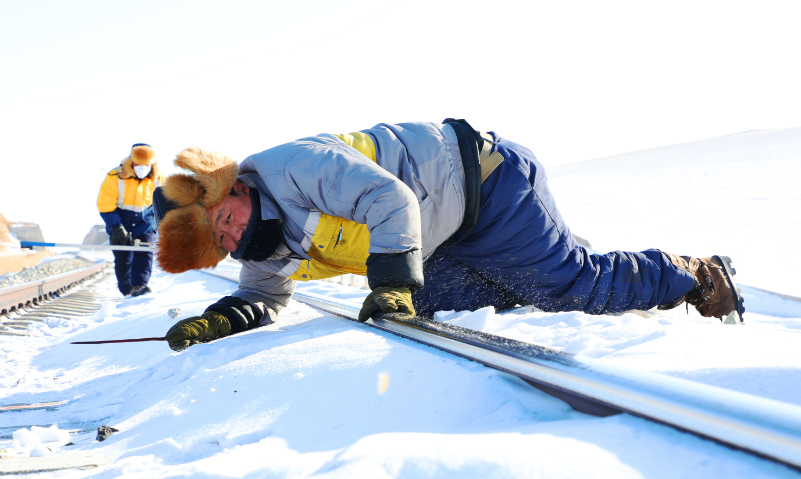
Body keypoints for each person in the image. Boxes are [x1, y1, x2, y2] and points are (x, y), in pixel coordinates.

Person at [153, 120, 744, 351]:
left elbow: (389, 200)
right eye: (221, 242)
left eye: (222, 219)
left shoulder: (290, 166)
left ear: (226, 188)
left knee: (569, 288)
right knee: (422, 304)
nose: (231, 235)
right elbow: (262, 295)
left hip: (483, 187)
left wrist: (388, 283)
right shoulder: (262, 234)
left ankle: (693, 273)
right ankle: (539, 264)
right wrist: (217, 321)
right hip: (442, 233)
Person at [96, 143, 161, 296]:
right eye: (138, 164)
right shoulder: (115, 176)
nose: (142, 167)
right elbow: (105, 203)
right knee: (123, 256)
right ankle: (126, 290)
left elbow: (164, 201)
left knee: (145, 253)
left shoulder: (158, 177)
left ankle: (140, 286)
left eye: (146, 165)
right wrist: (116, 227)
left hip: (146, 222)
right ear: (132, 161)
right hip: (120, 221)